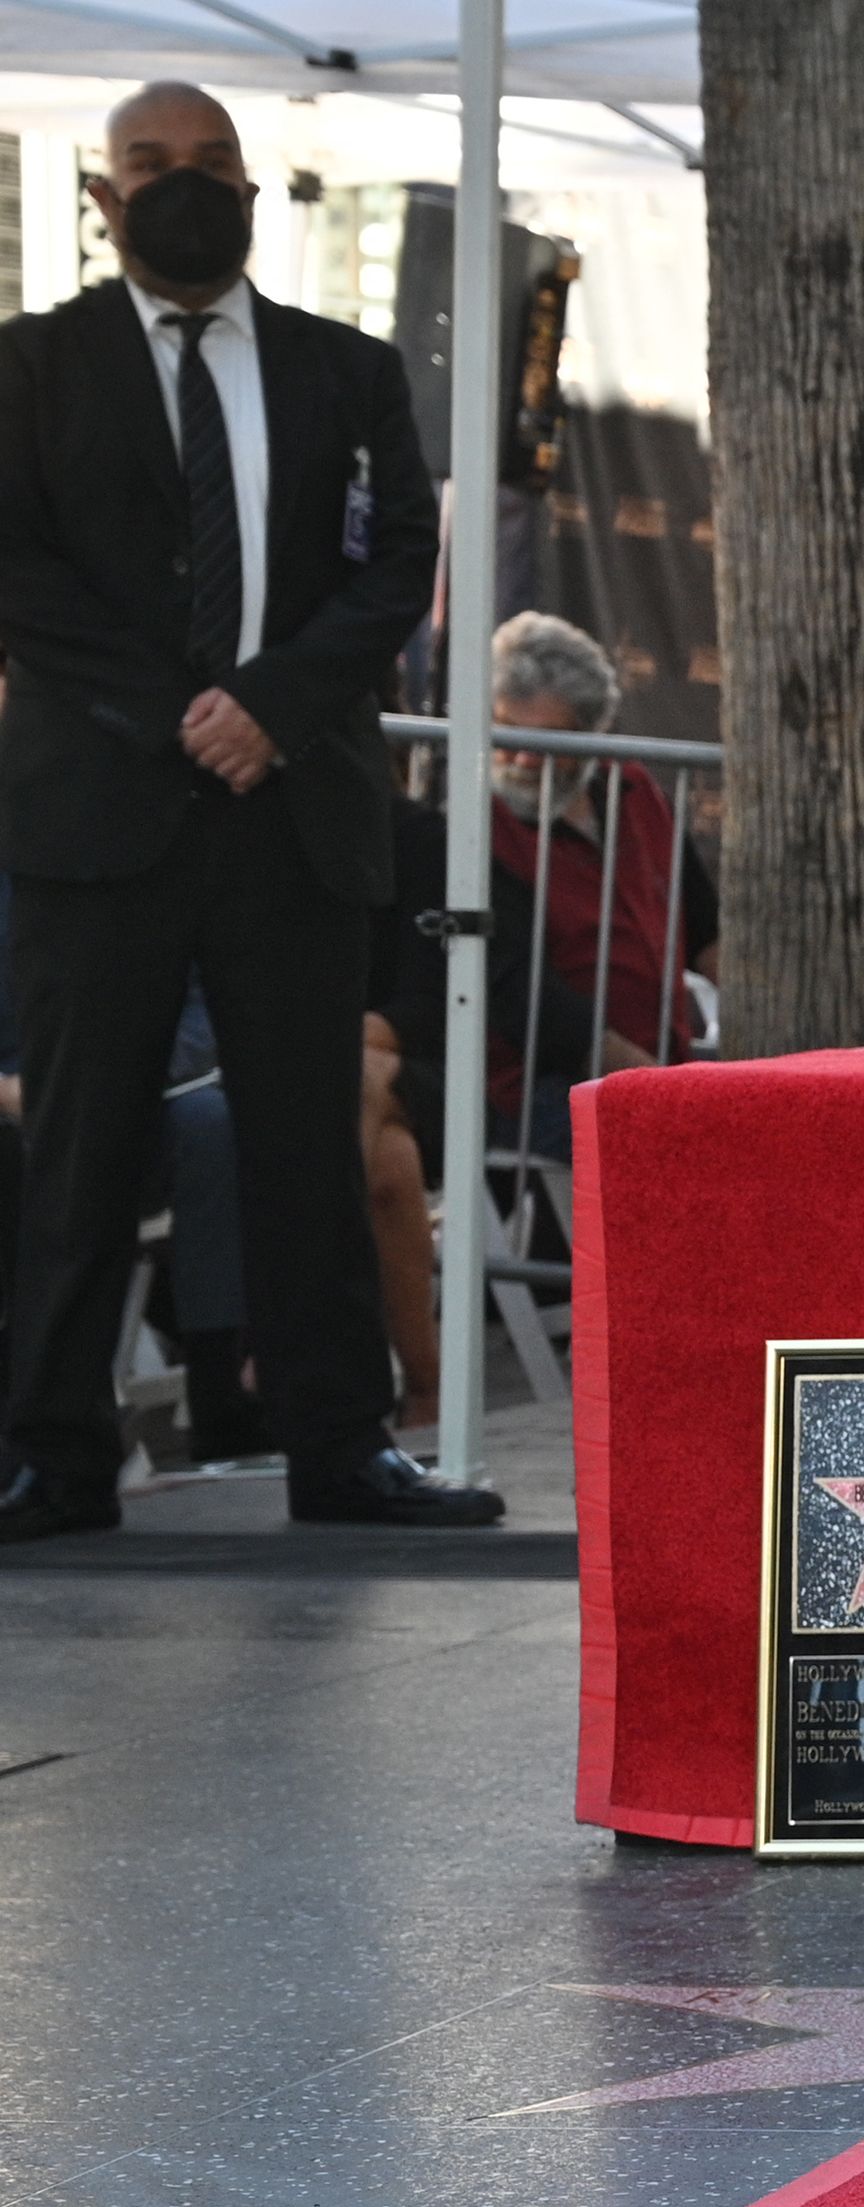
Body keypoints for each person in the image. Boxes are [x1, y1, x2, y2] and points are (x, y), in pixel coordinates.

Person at [0, 83, 495, 1540]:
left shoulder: (346, 369)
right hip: (102, 816)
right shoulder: (29, 366)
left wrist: (271, 703)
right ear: (104, 199)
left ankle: (341, 1449)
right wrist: (181, 711)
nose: (184, 183)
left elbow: (396, 562)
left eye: (212, 161)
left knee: (305, 1142)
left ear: (252, 191)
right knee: (83, 1150)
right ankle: (54, 1455)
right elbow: (21, 573)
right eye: (151, 164)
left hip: (294, 812)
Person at [484, 610, 718, 1112]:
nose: (524, 759)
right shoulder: (478, 829)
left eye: (549, 742)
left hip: (661, 1077)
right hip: (539, 1092)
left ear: (591, 734)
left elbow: (708, 935)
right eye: (508, 734)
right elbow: (528, 998)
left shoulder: (636, 791)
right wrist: (655, 1089)